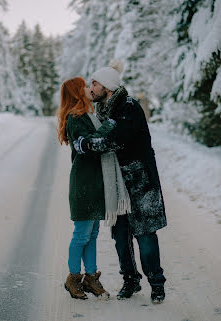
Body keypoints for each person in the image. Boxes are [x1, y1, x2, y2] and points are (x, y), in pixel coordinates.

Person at [73, 60, 167, 304]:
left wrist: (86, 144)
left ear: (108, 87)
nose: (90, 88)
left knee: (145, 236)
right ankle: (130, 280)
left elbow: (113, 139)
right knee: (120, 235)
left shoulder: (128, 107)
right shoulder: (103, 110)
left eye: (94, 84)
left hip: (141, 181)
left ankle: (156, 284)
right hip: (119, 184)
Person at [57, 77, 118, 300]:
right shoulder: (75, 118)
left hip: (94, 182)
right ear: (76, 93)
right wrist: (109, 127)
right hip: (83, 183)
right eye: (83, 86)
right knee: (81, 235)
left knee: (92, 235)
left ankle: (90, 277)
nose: (88, 89)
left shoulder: (88, 115)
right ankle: (73, 278)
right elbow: (87, 145)